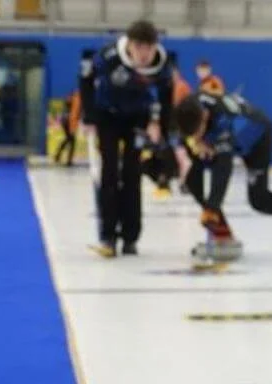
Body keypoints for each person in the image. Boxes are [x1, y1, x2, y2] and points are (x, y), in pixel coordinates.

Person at [173, 91, 272, 254]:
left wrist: (212, 207)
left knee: (259, 200)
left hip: (258, 139)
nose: (197, 138)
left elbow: (223, 170)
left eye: (199, 132)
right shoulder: (188, 108)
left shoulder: (223, 122)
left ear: (204, 116)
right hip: (229, 136)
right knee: (192, 180)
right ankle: (222, 235)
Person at [80, 19, 173, 257]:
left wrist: (162, 127)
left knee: (133, 174)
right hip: (107, 115)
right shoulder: (109, 56)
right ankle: (108, 235)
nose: (144, 54)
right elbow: (85, 80)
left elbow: (166, 98)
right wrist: (89, 116)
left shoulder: (162, 66)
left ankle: (131, 236)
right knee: (108, 172)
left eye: (149, 48)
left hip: (137, 119)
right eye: (139, 47)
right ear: (129, 45)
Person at [54, 89, 80, 167]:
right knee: (71, 140)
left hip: (67, 121)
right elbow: (74, 113)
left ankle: (59, 156)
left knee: (69, 139)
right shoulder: (76, 98)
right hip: (68, 121)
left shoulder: (73, 97)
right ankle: (67, 160)